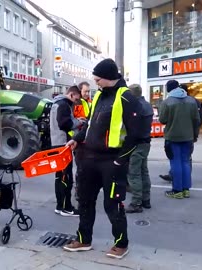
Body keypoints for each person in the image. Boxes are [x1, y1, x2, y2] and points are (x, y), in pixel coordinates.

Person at [62, 58, 144, 259]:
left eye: (98, 79)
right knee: (85, 200)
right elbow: (90, 124)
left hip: (112, 160)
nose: (95, 83)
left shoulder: (126, 97)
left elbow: (136, 135)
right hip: (90, 158)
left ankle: (121, 244)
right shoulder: (98, 96)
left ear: (109, 77)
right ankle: (83, 239)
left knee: (113, 204)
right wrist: (77, 139)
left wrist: (120, 161)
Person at [158, 80, 200, 199]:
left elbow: (162, 120)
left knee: (175, 163)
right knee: (185, 162)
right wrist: (195, 135)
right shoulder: (191, 101)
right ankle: (186, 189)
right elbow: (196, 120)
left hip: (172, 137)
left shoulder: (167, 102)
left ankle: (177, 190)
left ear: (169, 89)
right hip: (188, 137)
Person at [50, 85, 84, 217]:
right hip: (62, 145)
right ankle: (66, 207)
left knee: (59, 177)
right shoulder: (64, 105)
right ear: (71, 94)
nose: (76, 102)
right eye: (76, 98)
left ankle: (60, 206)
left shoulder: (56, 103)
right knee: (66, 177)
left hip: (56, 143)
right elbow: (65, 124)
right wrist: (78, 122)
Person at [126, 84, 154, 213]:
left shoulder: (136, 106)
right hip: (145, 142)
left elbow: (132, 127)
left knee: (134, 173)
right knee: (144, 171)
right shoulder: (147, 105)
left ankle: (136, 203)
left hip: (136, 143)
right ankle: (146, 199)